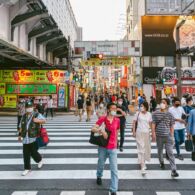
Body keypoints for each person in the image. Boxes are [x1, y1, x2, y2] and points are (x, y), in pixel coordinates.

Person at [91, 103, 120, 195]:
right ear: (108, 109)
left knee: (114, 169)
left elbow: (117, 131)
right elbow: (93, 129)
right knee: (101, 163)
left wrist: (116, 141)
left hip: (113, 147)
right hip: (103, 147)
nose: (114, 110)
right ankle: (99, 175)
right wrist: (101, 131)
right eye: (112, 108)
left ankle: (113, 189)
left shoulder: (117, 120)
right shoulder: (103, 119)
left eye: (115, 109)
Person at [152, 98, 179, 177]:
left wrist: (172, 136)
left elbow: (172, 126)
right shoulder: (155, 113)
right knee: (160, 151)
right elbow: (153, 124)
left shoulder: (170, 114)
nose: (162, 104)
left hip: (168, 136)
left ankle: (173, 170)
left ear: (167, 105)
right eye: (161, 102)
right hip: (159, 136)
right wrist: (153, 134)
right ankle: (161, 162)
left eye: (164, 102)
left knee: (170, 153)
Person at [18, 101, 46, 176]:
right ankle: (27, 168)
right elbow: (21, 126)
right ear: (25, 108)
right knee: (26, 154)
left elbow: (44, 121)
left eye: (30, 107)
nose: (29, 109)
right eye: (27, 107)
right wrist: (20, 135)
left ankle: (40, 160)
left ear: (33, 107)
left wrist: (37, 120)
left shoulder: (36, 114)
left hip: (34, 137)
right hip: (25, 138)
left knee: (33, 153)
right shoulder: (23, 116)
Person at [133, 101, 152, 175]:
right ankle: (142, 167)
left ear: (146, 107)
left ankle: (143, 161)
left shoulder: (149, 114)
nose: (141, 107)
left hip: (147, 133)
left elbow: (150, 124)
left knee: (146, 149)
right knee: (141, 148)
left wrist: (153, 133)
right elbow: (134, 122)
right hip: (139, 132)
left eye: (143, 106)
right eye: (140, 106)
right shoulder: (138, 113)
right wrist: (134, 132)